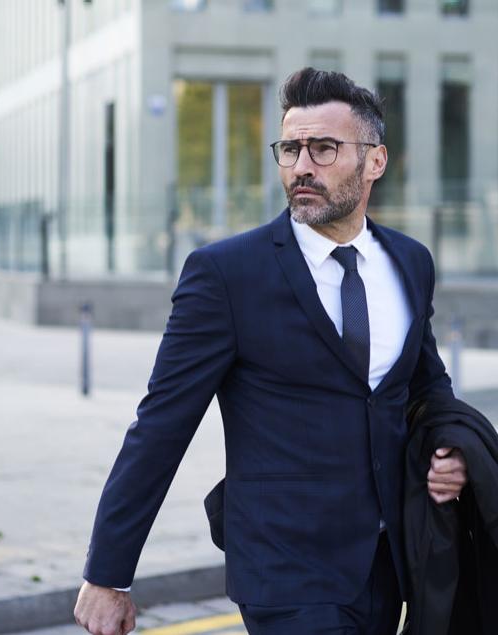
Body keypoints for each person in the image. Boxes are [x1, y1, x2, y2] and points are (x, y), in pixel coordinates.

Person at [74, 68, 467, 635]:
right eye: (290, 148)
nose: (302, 166)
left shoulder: (409, 262)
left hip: (390, 562)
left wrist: (449, 449)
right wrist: (108, 574)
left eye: (324, 149)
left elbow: (427, 385)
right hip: (287, 571)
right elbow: (161, 424)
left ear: (374, 161)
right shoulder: (226, 274)